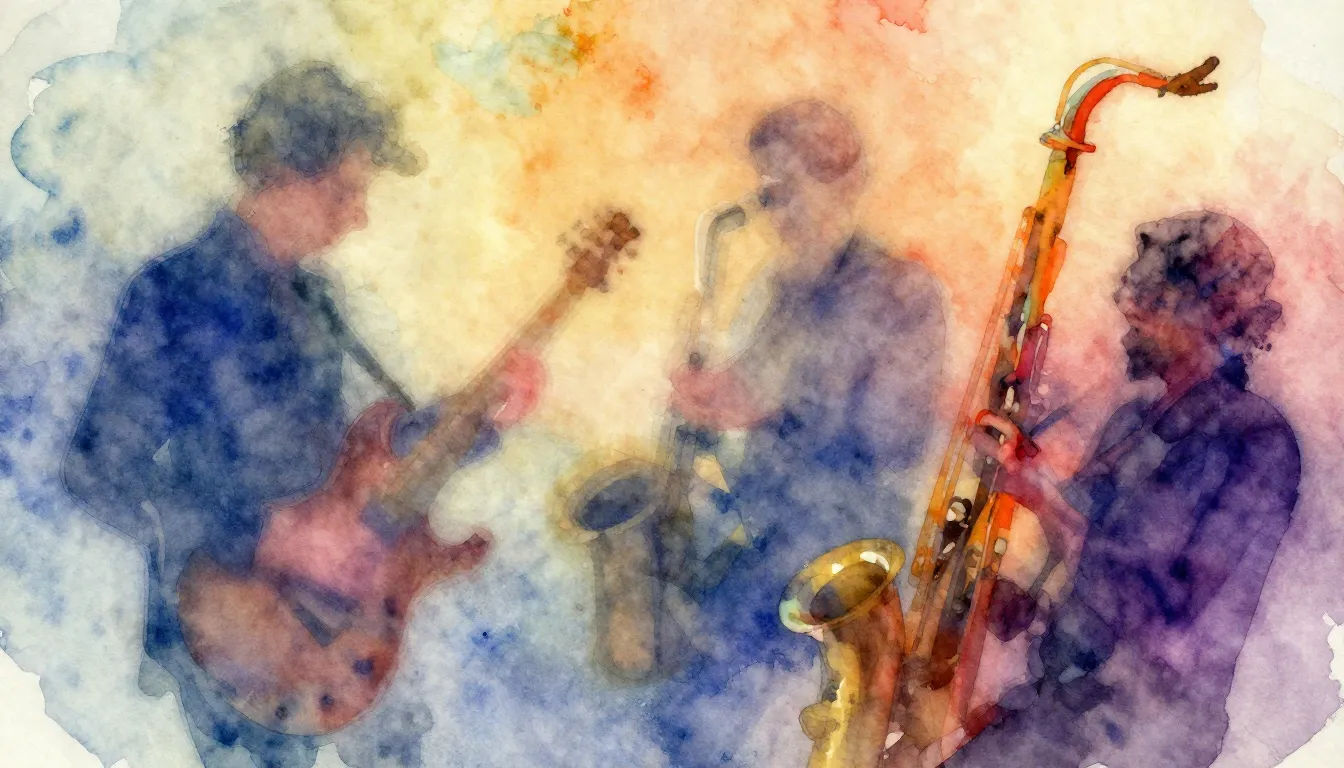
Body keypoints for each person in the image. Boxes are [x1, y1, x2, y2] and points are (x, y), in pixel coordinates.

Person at [61, 62, 544, 768]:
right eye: (344, 191)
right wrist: (254, 529)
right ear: (283, 174)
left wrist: (481, 416)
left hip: (341, 618)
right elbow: (92, 470)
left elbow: (356, 456)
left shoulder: (314, 299)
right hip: (238, 640)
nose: (360, 215)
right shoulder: (173, 292)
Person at [948, 211, 1301, 767]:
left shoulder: (1255, 440)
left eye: (1154, 298)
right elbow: (1080, 561)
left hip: (1135, 736)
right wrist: (1019, 604)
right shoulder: (1131, 420)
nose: (1128, 307)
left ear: (1216, 315)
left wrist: (1041, 495)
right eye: (1134, 289)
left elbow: (1162, 607)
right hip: (1062, 709)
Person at [653, 99, 948, 765]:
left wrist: (770, 410)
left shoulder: (904, 294)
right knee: (681, 707)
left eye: (789, 188)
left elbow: (894, 439)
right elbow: (746, 400)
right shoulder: (775, 287)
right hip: (763, 528)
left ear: (846, 184)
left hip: (838, 556)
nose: (771, 209)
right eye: (766, 190)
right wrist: (706, 405)